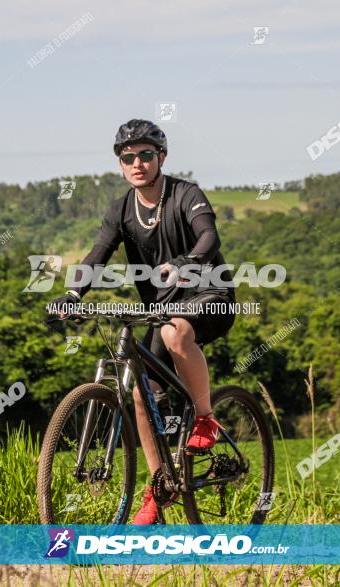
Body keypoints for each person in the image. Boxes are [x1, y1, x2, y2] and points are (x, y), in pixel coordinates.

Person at [48, 119, 236, 524]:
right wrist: (73, 293)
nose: (137, 163)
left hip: (210, 296)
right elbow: (98, 254)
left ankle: (205, 417)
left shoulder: (186, 194)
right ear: (120, 164)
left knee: (176, 332)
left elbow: (209, 238)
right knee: (139, 392)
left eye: (146, 155)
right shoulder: (120, 209)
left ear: (161, 158)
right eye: (128, 157)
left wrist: (188, 261)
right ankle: (158, 488)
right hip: (162, 306)